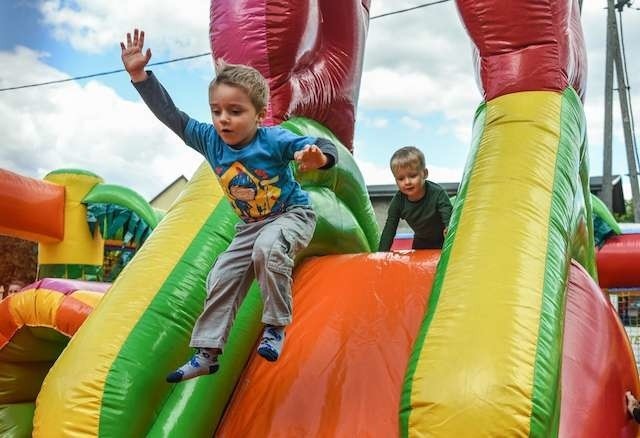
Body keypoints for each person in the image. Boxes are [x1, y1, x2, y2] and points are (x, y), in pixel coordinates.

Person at [120, 29, 338, 383]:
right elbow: (173, 117)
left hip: (291, 215)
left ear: (259, 114)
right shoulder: (209, 139)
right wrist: (139, 77)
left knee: (268, 249)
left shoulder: (274, 139)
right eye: (217, 111)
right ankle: (207, 352)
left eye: (235, 111)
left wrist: (318, 157)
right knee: (221, 274)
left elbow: (318, 145)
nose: (223, 119)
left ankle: (274, 327)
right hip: (249, 226)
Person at [378, 146, 452, 251]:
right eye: (401, 178)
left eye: (412, 176)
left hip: (443, 240)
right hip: (421, 242)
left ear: (425, 174)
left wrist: (449, 230)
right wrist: (381, 254)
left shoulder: (437, 193)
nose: (407, 182)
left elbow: (448, 219)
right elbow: (389, 229)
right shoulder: (398, 201)